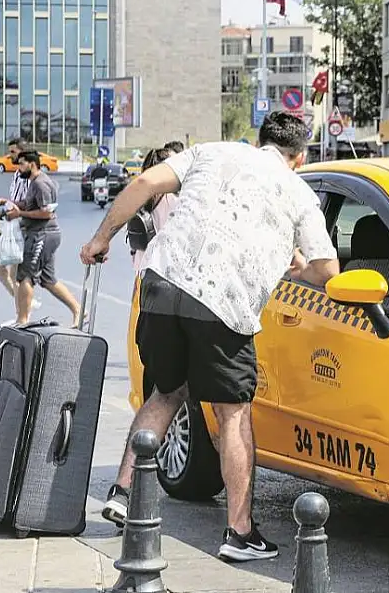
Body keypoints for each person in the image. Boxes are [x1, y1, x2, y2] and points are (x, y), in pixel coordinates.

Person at [80, 111, 339, 562]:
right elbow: (327, 269)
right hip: (223, 299)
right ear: (299, 156)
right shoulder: (297, 191)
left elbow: (143, 186)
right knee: (234, 414)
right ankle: (239, 533)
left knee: (164, 392)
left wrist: (101, 238)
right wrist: (298, 268)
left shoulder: (212, 151)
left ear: (260, 141)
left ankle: (121, 493)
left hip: (161, 284)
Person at [1, 151, 83, 327]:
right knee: (48, 280)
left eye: (22, 164)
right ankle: (79, 311)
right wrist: (11, 204)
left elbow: (46, 212)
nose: (19, 167)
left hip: (42, 235)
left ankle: (22, 321)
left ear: (32, 164)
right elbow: (31, 203)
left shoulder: (40, 183)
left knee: (25, 277)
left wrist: (20, 213)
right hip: (44, 234)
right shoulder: (34, 183)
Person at [0, 138, 41, 323]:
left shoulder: (31, 178)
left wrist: (15, 210)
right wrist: (6, 203)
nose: (10, 155)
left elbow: (30, 203)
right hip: (12, 224)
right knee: (0, 269)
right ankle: (24, 306)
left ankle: (23, 313)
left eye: (13, 152)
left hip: (21, 226)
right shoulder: (16, 174)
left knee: (14, 274)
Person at [128, 146, 177, 272]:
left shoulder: (136, 199)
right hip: (163, 272)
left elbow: (133, 242)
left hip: (141, 270)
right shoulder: (173, 201)